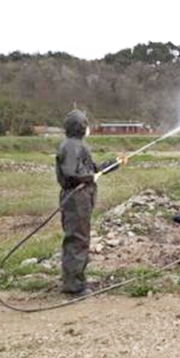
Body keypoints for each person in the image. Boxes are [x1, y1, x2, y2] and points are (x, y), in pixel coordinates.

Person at [55, 109, 127, 295]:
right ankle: (73, 286)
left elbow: (94, 169)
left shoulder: (79, 145)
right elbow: (72, 173)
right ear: (80, 127)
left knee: (80, 238)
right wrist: (89, 178)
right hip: (76, 198)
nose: (88, 129)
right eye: (85, 125)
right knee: (77, 240)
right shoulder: (71, 146)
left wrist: (116, 163)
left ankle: (76, 280)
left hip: (82, 198)